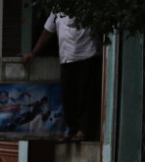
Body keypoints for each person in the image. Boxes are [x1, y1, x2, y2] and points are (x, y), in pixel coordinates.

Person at [22, 12, 101, 142]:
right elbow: (48, 31)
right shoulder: (57, 8)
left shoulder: (86, 7)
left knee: (85, 96)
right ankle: (72, 129)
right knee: (68, 96)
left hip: (87, 57)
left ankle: (84, 131)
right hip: (66, 59)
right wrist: (33, 53)